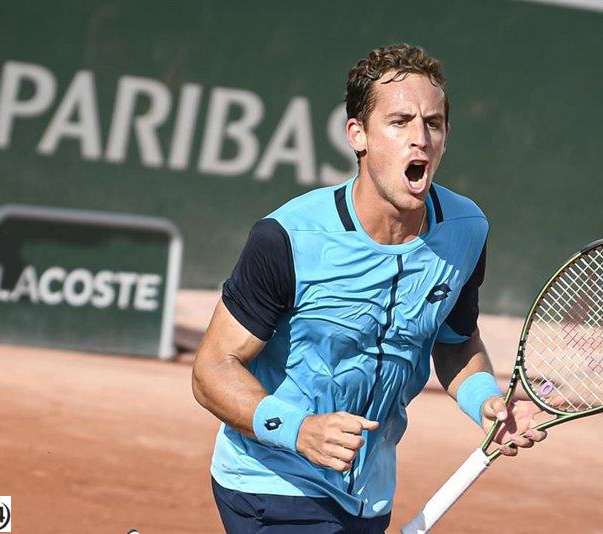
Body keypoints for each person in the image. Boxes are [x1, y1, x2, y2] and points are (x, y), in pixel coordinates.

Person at [192, 43, 547, 533]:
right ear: (358, 135)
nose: (420, 139)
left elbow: (455, 341)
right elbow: (212, 369)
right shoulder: (288, 238)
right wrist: (300, 431)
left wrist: (486, 401)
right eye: (399, 122)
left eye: (434, 123)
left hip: (369, 495)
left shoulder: (466, 231)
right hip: (272, 480)